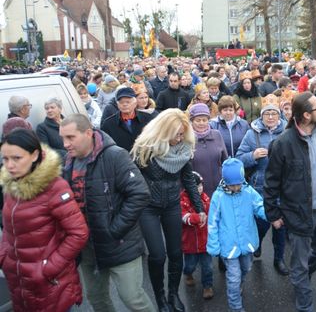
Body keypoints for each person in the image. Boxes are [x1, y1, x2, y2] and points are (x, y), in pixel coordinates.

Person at [59, 114, 154, 312]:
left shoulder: (115, 156)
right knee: (97, 299)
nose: (65, 144)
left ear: (87, 133)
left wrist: (114, 230)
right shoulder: (67, 162)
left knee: (132, 299)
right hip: (87, 248)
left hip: (120, 244)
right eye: (63, 138)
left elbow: (140, 193)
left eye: (70, 137)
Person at [264, 92, 316, 312]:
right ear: (306, 115)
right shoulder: (282, 143)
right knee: (298, 264)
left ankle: (301, 279)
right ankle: (304, 304)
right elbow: (271, 183)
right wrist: (274, 214)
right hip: (297, 213)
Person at [0, 129, 89, 312]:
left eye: (16, 158)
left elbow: (78, 233)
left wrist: (47, 268)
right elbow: (9, 229)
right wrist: (5, 258)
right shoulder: (12, 185)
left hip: (50, 284)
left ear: (34, 155)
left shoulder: (54, 188)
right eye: (5, 159)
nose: (9, 165)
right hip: (19, 282)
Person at [131, 109, 204, 312]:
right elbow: (131, 181)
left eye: (182, 134)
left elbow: (188, 179)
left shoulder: (183, 149)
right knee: (157, 255)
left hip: (172, 204)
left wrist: (199, 208)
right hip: (149, 207)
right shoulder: (144, 148)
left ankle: (173, 294)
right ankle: (160, 298)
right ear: (164, 131)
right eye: (176, 134)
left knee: (175, 252)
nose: (179, 138)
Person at [236, 94, 288, 275]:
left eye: (274, 113)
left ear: (279, 115)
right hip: (260, 186)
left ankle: (279, 259)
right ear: (262, 116)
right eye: (267, 114)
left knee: (280, 225)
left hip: (284, 186)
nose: (271, 117)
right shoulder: (252, 134)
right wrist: (252, 156)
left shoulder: (287, 131)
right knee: (262, 222)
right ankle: (257, 243)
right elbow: (238, 158)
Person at [207, 158, 267, 312]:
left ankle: (239, 283)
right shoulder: (218, 197)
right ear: (225, 181)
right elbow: (212, 222)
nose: (235, 187)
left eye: (238, 183)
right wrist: (213, 245)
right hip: (229, 245)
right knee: (233, 277)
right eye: (231, 184)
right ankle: (236, 307)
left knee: (246, 268)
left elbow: (259, 206)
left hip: (246, 241)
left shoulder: (248, 191)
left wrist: (271, 215)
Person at [181, 173, 213, 299]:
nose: (199, 188)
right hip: (190, 243)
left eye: (200, 185)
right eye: (196, 186)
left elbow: (212, 212)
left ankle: (207, 286)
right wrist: (198, 217)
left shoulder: (205, 198)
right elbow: (184, 217)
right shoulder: (182, 201)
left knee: (208, 267)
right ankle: (188, 273)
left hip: (205, 242)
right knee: (190, 265)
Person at [189, 103, 228, 198]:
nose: (201, 123)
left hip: (219, 190)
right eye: (198, 120)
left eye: (204, 120)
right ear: (192, 121)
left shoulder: (217, 135)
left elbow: (225, 161)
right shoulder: (187, 139)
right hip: (197, 192)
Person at [101, 87, 155, 152]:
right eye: (121, 102)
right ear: (118, 105)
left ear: (135, 103)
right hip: (121, 159)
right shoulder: (108, 124)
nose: (124, 104)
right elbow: (105, 146)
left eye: (128, 102)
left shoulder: (148, 119)